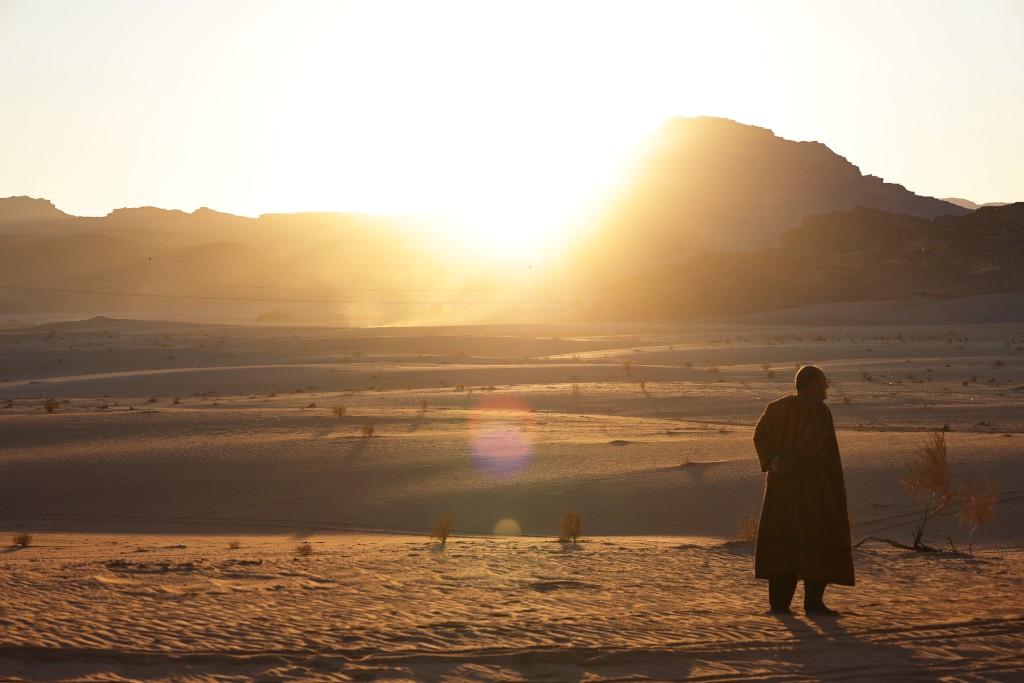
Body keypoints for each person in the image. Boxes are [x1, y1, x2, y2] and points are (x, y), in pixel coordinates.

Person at [753, 365, 854, 615]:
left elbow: (760, 437)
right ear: (812, 385)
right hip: (812, 489)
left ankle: (779, 604)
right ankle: (813, 604)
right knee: (816, 538)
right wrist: (786, 465)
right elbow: (810, 445)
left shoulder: (775, 408)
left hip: (778, 488)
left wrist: (775, 462)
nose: (827, 387)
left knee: (784, 542)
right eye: (823, 382)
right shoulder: (818, 411)